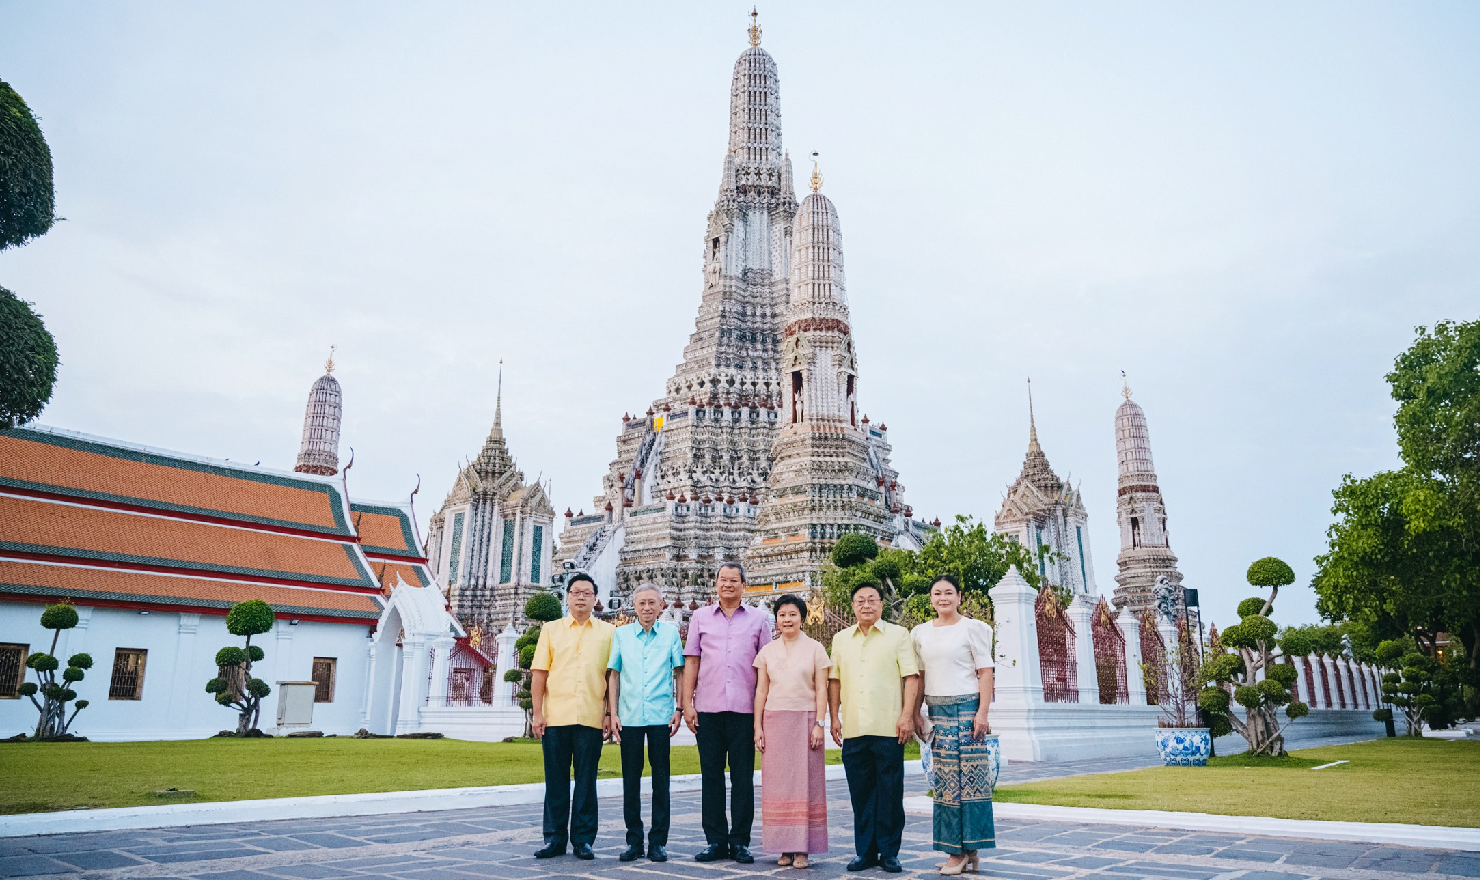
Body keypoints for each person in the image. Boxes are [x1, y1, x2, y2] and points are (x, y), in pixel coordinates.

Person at [682, 561, 772, 864]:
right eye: (723, 580)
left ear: (744, 585)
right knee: (711, 777)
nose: (728, 585)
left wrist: (763, 713)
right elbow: (691, 662)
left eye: (734, 580)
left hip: (745, 710)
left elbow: (766, 668)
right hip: (708, 708)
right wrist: (687, 704)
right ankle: (716, 840)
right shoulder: (699, 617)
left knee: (743, 777)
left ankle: (740, 842)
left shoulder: (759, 620)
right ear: (716, 584)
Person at [828, 578, 919, 874]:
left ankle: (890, 852)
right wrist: (834, 717)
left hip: (889, 727)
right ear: (853, 606)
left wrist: (906, 716)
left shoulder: (898, 635)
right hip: (854, 728)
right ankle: (865, 851)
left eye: (872, 600)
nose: (866, 605)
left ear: (881, 604)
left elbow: (911, 677)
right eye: (860, 601)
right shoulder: (841, 639)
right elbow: (834, 680)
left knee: (890, 792)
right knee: (861, 794)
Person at [910, 575, 996, 874]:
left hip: (967, 709)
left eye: (949, 593)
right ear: (930, 598)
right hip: (937, 710)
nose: (943, 598)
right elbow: (919, 676)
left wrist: (982, 712)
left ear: (960, 596)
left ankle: (964, 851)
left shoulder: (973, 628)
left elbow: (985, 672)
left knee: (970, 783)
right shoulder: (920, 633)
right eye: (937, 593)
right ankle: (958, 850)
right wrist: (915, 712)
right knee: (946, 783)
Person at [531, 573, 615, 860]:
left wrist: (607, 712)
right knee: (555, 781)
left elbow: (610, 676)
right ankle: (554, 838)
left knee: (586, 781)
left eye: (587, 593)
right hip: (555, 717)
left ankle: (583, 839)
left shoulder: (608, 632)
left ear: (595, 599)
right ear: (567, 596)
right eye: (576, 592)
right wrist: (538, 714)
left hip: (591, 717)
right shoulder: (551, 630)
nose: (581, 597)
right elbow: (540, 673)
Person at [607, 584, 685, 863]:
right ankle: (634, 840)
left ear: (661, 605)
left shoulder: (671, 633)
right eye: (642, 603)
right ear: (634, 606)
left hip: (661, 715)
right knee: (631, 779)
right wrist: (612, 712)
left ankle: (658, 842)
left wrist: (680, 708)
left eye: (652, 603)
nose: (647, 608)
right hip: (629, 717)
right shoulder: (621, 634)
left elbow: (679, 672)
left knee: (661, 779)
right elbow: (614, 675)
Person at [753, 593, 831, 868]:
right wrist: (758, 727)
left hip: (806, 720)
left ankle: (803, 849)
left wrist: (820, 723)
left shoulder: (815, 649)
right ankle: (783, 847)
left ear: (802, 617)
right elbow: (761, 690)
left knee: (806, 785)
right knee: (778, 786)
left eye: (793, 614)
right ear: (776, 619)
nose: (787, 619)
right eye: (782, 614)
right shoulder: (767, 651)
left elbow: (822, 688)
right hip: (775, 721)